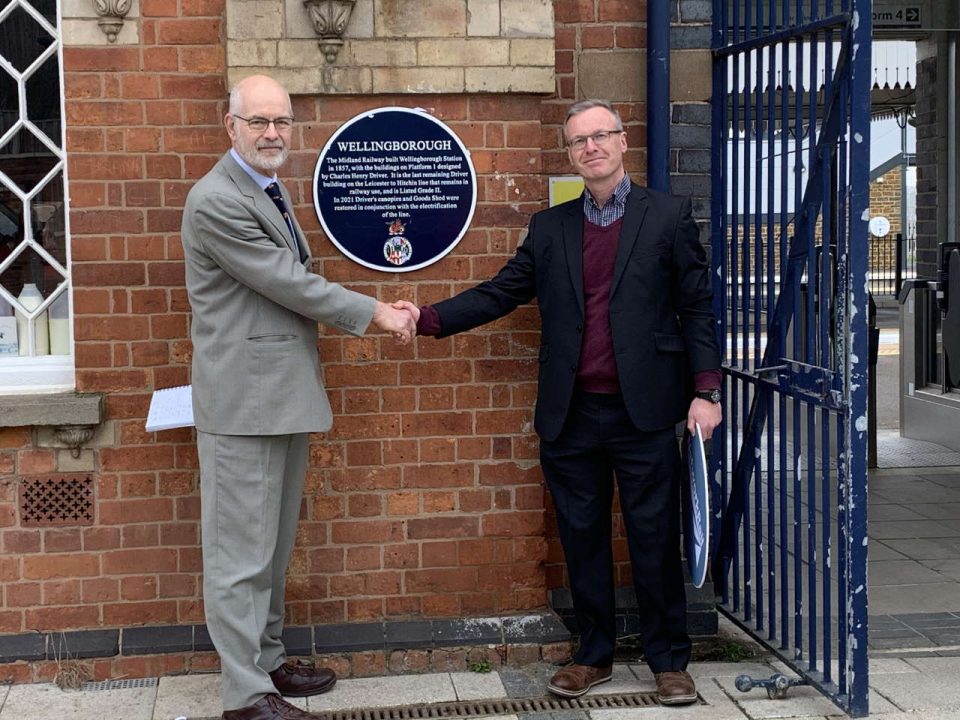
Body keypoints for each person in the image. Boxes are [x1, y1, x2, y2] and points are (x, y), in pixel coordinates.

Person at [395, 99, 722, 706]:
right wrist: (431, 317)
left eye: (601, 136)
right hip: (571, 413)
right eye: (579, 141)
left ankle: (668, 661)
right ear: (569, 155)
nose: (591, 148)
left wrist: (706, 390)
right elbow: (502, 291)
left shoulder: (668, 217)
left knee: (653, 535)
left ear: (623, 143)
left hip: (644, 409)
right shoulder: (551, 228)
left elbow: (697, 306)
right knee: (581, 536)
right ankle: (593, 654)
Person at [181, 74, 416, 720]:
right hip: (243, 405)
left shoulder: (268, 188)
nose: (272, 133)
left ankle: (267, 659)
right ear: (231, 128)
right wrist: (376, 313)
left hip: (277, 396)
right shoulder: (216, 200)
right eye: (258, 122)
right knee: (238, 557)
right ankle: (243, 694)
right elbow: (289, 283)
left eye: (281, 121)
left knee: (272, 547)